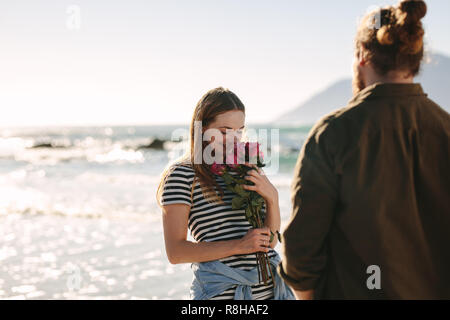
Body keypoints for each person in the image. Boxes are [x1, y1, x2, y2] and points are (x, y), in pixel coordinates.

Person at [278, 0, 450, 299]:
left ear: (361, 56)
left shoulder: (332, 133)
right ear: (417, 60)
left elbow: (301, 249)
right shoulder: (445, 129)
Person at [157, 87, 294, 300]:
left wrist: (272, 198)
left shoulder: (246, 169)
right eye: (223, 131)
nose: (233, 139)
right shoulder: (182, 175)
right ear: (202, 128)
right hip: (220, 294)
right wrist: (239, 246)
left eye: (239, 130)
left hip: (271, 292)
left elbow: (268, 242)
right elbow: (176, 252)